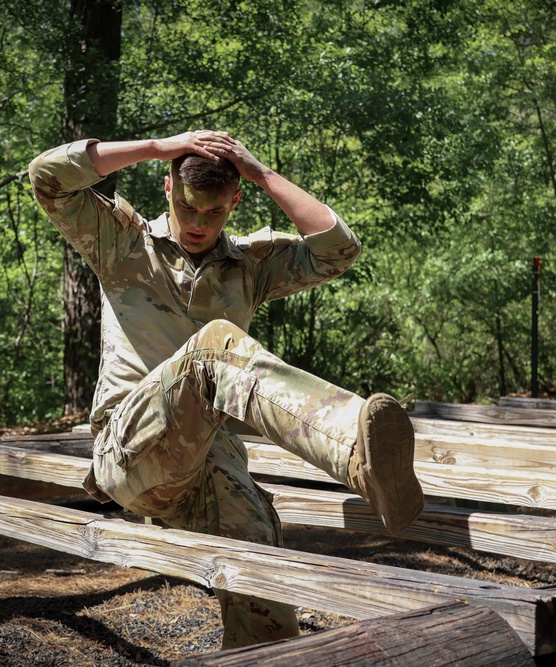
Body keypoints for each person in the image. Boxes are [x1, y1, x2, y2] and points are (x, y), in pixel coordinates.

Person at [28, 130, 424, 649]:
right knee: (214, 349)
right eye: (188, 208)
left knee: (262, 556)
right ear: (167, 186)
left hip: (213, 467)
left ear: (234, 202)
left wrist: (259, 172)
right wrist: (160, 146)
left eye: (214, 213)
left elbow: (338, 250)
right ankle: (356, 453)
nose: (198, 224)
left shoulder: (250, 265)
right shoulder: (123, 243)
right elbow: (47, 177)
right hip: (129, 453)